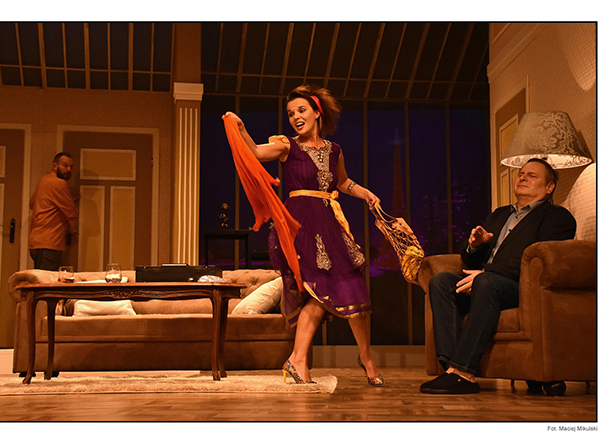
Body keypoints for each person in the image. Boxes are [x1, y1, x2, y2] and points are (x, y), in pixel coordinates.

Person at [224, 85, 384, 385]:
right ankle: (298, 361)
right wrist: (241, 128)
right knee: (319, 290)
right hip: (301, 226)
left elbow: (343, 183)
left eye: (301, 110)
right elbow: (256, 152)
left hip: (331, 224)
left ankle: (364, 357)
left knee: (354, 288)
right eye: (290, 113)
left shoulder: (334, 150)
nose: (295, 117)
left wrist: (365, 193)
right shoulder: (288, 146)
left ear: (317, 113)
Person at [420, 158, 576, 394]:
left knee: (486, 282)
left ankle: (463, 371)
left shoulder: (557, 217)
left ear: (549, 187)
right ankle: (451, 368)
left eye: (532, 175)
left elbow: (540, 261)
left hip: (519, 288)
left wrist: (485, 274)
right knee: (441, 282)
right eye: (521, 173)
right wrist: (475, 245)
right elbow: (469, 260)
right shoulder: (500, 214)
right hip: (485, 284)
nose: (522, 177)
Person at [29, 152, 79, 271]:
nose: (68, 169)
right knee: (48, 280)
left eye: (71, 166)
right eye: (65, 165)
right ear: (55, 166)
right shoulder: (60, 184)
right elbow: (72, 214)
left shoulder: (44, 179)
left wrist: (63, 199)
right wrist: (73, 230)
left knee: (40, 278)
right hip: (50, 243)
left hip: (35, 242)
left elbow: (32, 204)